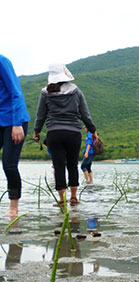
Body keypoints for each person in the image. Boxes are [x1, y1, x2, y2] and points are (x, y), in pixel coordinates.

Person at [33, 64, 98, 207]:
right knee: (72, 164)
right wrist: (93, 131)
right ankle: (74, 197)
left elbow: (40, 115)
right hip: (73, 133)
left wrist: (36, 131)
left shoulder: (45, 93)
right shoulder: (76, 91)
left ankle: (62, 200)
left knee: (59, 165)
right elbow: (85, 114)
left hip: (54, 134)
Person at [0, 54, 30, 217]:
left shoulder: (2, 61)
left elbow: (16, 92)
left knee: (9, 165)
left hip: (14, 120)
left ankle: (13, 208)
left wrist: (17, 123)